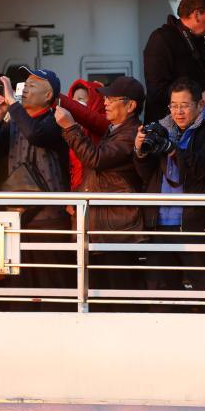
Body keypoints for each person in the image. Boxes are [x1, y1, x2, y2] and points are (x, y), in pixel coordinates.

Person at [0, 68, 71, 289]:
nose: (25, 88)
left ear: (48, 96)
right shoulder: (15, 121)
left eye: (32, 85)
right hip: (19, 219)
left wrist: (12, 103)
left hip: (49, 220)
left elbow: (35, 134)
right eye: (25, 84)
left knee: (53, 291)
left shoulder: (55, 119)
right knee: (22, 290)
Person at [134, 79, 205, 291]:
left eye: (184, 105)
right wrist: (140, 151)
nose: (178, 111)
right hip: (159, 224)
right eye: (174, 106)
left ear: (200, 105)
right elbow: (147, 175)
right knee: (161, 297)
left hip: (197, 225)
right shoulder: (162, 128)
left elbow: (202, 169)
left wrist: (173, 149)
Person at [55, 76, 145, 288]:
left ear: (131, 105)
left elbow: (95, 159)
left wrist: (70, 127)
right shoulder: (115, 131)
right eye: (106, 98)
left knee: (119, 299)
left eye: (112, 99)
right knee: (100, 299)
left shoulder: (131, 133)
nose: (105, 103)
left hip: (116, 234)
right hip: (105, 231)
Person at [143, 0, 205, 123]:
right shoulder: (161, 39)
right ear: (197, 14)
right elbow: (156, 92)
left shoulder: (197, 39)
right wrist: (200, 98)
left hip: (194, 125)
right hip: (168, 130)